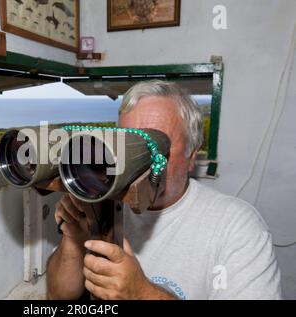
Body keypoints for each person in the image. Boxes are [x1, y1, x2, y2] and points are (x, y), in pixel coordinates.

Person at [46, 80, 282, 300]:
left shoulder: (236, 227)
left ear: (191, 156)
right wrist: (74, 239)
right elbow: (58, 296)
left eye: (155, 145)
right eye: (129, 146)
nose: (137, 163)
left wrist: (142, 293)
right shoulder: (102, 201)